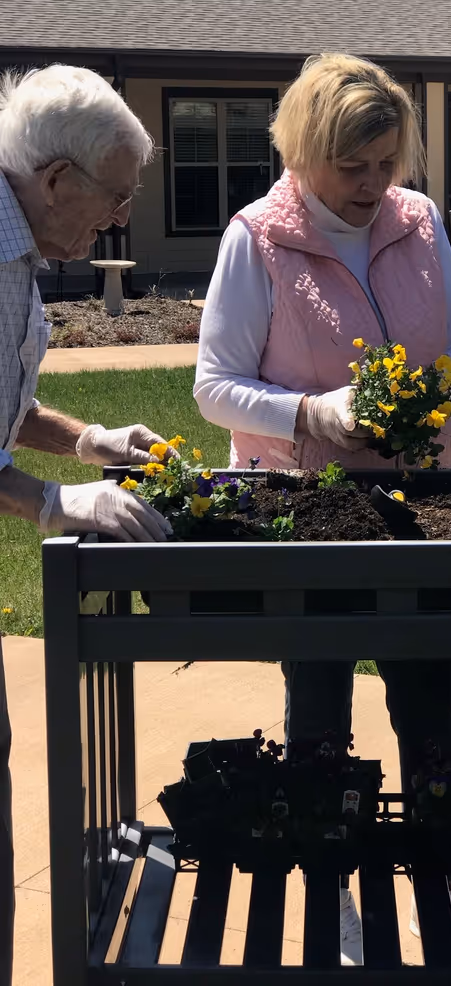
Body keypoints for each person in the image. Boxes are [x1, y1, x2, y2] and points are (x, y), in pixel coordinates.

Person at [195, 52, 451, 964]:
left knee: (430, 697)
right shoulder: (257, 237)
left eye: (388, 163)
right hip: (308, 507)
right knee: (319, 699)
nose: (373, 186)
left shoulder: (419, 220)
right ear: (306, 152)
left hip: (420, 502)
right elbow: (212, 385)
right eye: (352, 168)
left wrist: (428, 397)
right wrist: (309, 413)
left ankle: (440, 878)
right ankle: (333, 887)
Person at [0, 64, 173, 986]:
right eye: (116, 195)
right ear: (59, 181)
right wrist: (50, 503)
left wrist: (87, 441)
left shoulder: (18, 247)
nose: (119, 215)